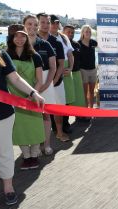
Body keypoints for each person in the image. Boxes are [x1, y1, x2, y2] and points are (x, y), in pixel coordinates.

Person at [0, 25, 44, 205]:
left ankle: (8, 187)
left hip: (0, 114)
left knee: (2, 152)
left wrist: (34, 93)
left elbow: (15, 78)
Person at [7, 24, 45, 170]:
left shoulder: (35, 56)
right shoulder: (6, 56)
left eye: (23, 35)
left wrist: (33, 95)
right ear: (11, 38)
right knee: (20, 128)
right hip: (14, 99)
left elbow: (40, 80)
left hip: (33, 97)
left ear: (27, 37)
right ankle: (26, 156)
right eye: (16, 35)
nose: (20, 39)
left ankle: (34, 155)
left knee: (34, 126)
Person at [23, 14, 57, 153]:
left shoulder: (45, 44)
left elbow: (53, 67)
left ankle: (46, 145)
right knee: (28, 116)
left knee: (45, 115)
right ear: (24, 25)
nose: (33, 27)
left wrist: (47, 84)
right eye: (29, 24)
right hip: (24, 83)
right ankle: (31, 146)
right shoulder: (18, 43)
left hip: (45, 84)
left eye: (35, 24)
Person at [37, 13, 70, 142]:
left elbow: (61, 64)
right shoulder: (32, 40)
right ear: (38, 23)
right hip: (38, 83)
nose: (45, 25)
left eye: (48, 23)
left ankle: (59, 133)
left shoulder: (56, 41)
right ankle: (41, 139)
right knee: (40, 111)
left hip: (56, 81)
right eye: (43, 22)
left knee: (59, 109)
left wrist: (54, 80)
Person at [50, 15, 75, 133]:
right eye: (52, 23)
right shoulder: (46, 38)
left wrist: (70, 67)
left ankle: (66, 123)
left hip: (66, 70)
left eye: (56, 23)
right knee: (54, 100)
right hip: (53, 69)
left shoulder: (64, 37)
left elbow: (70, 54)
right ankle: (55, 127)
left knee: (67, 99)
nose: (55, 25)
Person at [63, 25, 86, 122]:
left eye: (72, 32)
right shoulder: (60, 43)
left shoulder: (77, 44)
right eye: (68, 32)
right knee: (67, 98)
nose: (71, 34)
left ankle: (80, 115)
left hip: (76, 73)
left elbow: (81, 60)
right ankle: (66, 121)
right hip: (65, 75)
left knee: (79, 97)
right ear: (63, 32)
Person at [78, 25, 98, 108]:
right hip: (83, 71)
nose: (88, 33)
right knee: (84, 92)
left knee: (92, 92)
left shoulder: (93, 42)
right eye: (86, 31)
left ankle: (91, 109)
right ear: (82, 32)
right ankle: (86, 111)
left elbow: (103, 46)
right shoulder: (78, 44)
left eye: (89, 32)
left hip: (93, 70)